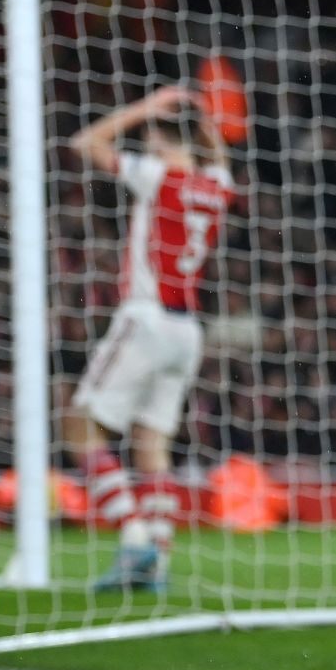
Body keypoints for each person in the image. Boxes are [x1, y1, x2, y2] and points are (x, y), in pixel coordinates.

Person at [66, 84, 234, 593]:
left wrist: (146, 107)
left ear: (161, 138)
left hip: (146, 318)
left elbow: (84, 143)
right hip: (187, 331)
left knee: (79, 426)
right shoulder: (218, 186)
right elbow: (219, 157)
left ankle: (135, 536)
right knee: (152, 447)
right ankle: (156, 565)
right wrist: (201, 121)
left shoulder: (159, 176)